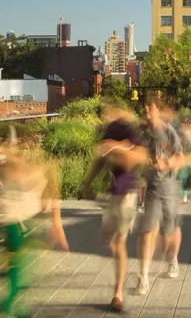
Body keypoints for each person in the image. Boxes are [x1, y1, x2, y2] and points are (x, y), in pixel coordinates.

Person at [81, 106, 148, 312]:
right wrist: (87, 183)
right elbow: (101, 159)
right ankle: (119, 287)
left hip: (126, 193)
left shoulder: (128, 130)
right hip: (113, 193)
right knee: (111, 241)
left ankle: (118, 294)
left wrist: (113, 147)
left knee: (119, 242)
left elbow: (132, 159)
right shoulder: (111, 129)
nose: (104, 117)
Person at [0, 129, 69, 317]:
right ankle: (14, 307)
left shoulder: (18, 167)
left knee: (18, 268)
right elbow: (51, 200)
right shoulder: (22, 167)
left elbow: (50, 199)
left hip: (18, 226)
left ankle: (14, 306)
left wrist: (57, 226)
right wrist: (57, 226)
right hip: (18, 226)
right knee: (19, 269)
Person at [135, 100, 185, 295]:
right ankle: (143, 277)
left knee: (170, 229)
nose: (147, 114)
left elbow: (180, 157)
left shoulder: (168, 131)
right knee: (147, 231)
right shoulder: (142, 134)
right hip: (152, 188)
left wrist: (166, 163)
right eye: (145, 110)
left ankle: (173, 259)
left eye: (150, 110)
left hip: (169, 186)